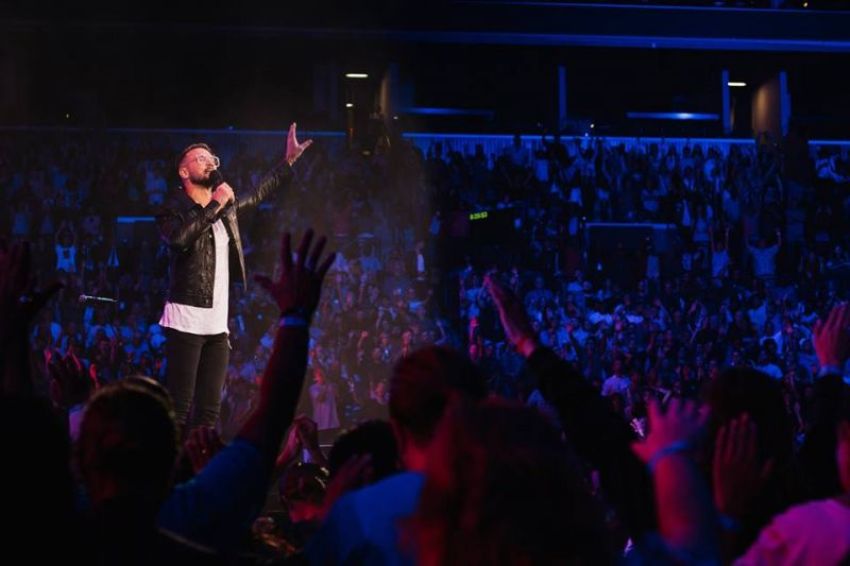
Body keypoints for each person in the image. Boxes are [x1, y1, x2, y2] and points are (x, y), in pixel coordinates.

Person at [156, 124, 312, 431]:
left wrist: (288, 162)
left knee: (209, 413)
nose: (209, 162)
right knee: (179, 407)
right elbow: (179, 240)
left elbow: (256, 195)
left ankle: (200, 471)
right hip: (185, 320)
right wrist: (215, 203)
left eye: (211, 158)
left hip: (217, 325)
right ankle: (172, 473)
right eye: (200, 158)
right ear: (184, 173)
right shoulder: (172, 209)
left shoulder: (225, 211)